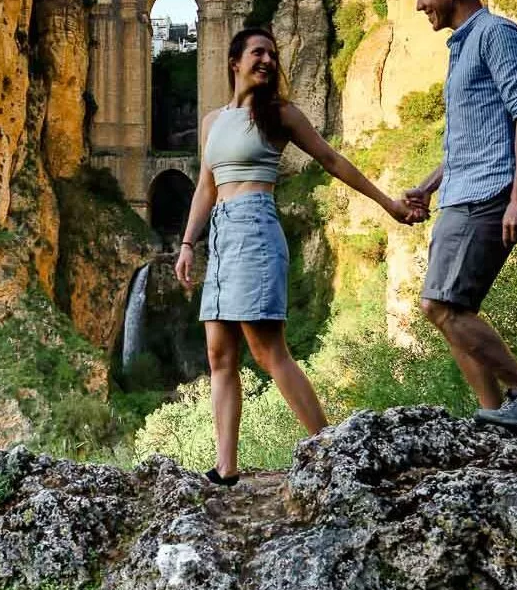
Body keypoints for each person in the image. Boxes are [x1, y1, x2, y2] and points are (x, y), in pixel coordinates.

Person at [175, 26, 421, 486]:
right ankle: (225, 469)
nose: (267, 60)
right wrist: (188, 243)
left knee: (268, 352)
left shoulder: (281, 115)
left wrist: (388, 202)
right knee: (219, 355)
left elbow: (330, 159)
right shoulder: (212, 122)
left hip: (256, 228)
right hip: (221, 238)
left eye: (272, 54)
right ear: (235, 62)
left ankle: (330, 449)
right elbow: (206, 186)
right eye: (257, 52)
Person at [405, 0, 517, 431]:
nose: (419, 5)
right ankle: (497, 418)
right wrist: (430, 185)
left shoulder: (496, 34)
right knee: (450, 309)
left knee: (441, 305)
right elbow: (472, 137)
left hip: (487, 194)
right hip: (461, 192)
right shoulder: (463, 46)